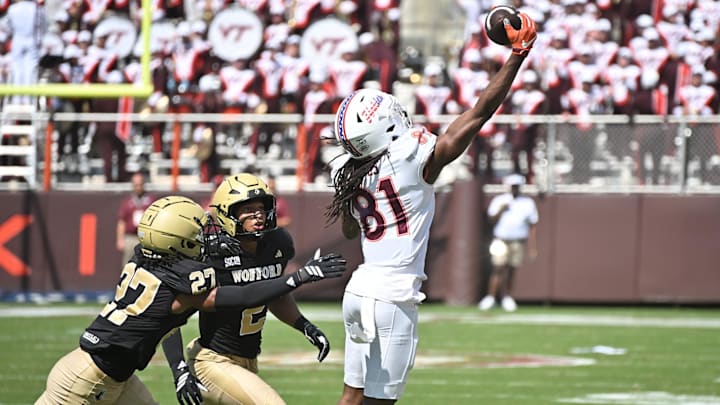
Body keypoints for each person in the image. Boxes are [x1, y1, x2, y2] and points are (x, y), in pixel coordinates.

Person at [325, 13, 537, 405]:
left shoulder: (347, 169)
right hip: (392, 295)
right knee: (378, 402)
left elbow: (352, 232)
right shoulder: (410, 156)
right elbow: (477, 115)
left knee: (351, 398)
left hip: (360, 288)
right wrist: (517, 56)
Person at [35, 195, 347, 405]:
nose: (205, 237)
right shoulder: (184, 280)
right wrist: (298, 278)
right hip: (85, 380)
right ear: (178, 240)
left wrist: (179, 370)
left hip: (112, 375)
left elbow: (166, 322)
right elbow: (239, 295)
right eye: (197, 233)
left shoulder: (144, 256)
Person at [163, 173, 326, 405]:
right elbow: (171, 313)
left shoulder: (276, 243)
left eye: (261, 208)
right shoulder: (210, 254)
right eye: (247, 209)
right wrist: (179, 369)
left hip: (248, 361)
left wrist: (305, 326)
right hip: (213, 362)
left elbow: (273, 294)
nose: (257, 215)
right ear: (227, 213)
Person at [478, 174, 538, 312]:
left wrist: (533, 246)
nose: (515, 188)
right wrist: (501, 209)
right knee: (497, 268)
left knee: (511, 269)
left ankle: (507, 298)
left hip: (518, 240)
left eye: (517, 186)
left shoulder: (527, 202)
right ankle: (491, 297)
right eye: (513, 186)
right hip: (501, 239)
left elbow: (533, 224)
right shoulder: (500, 200)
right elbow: (491, 219)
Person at [116, 172, 154, 266]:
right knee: (128, 263)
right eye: (136, 185)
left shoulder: (150, 200)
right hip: (131, 237)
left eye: (140, 185)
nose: (138, 187)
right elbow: (122, 221)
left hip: (145, 239)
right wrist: (120, 239)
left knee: (146, 264)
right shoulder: (128, 202)